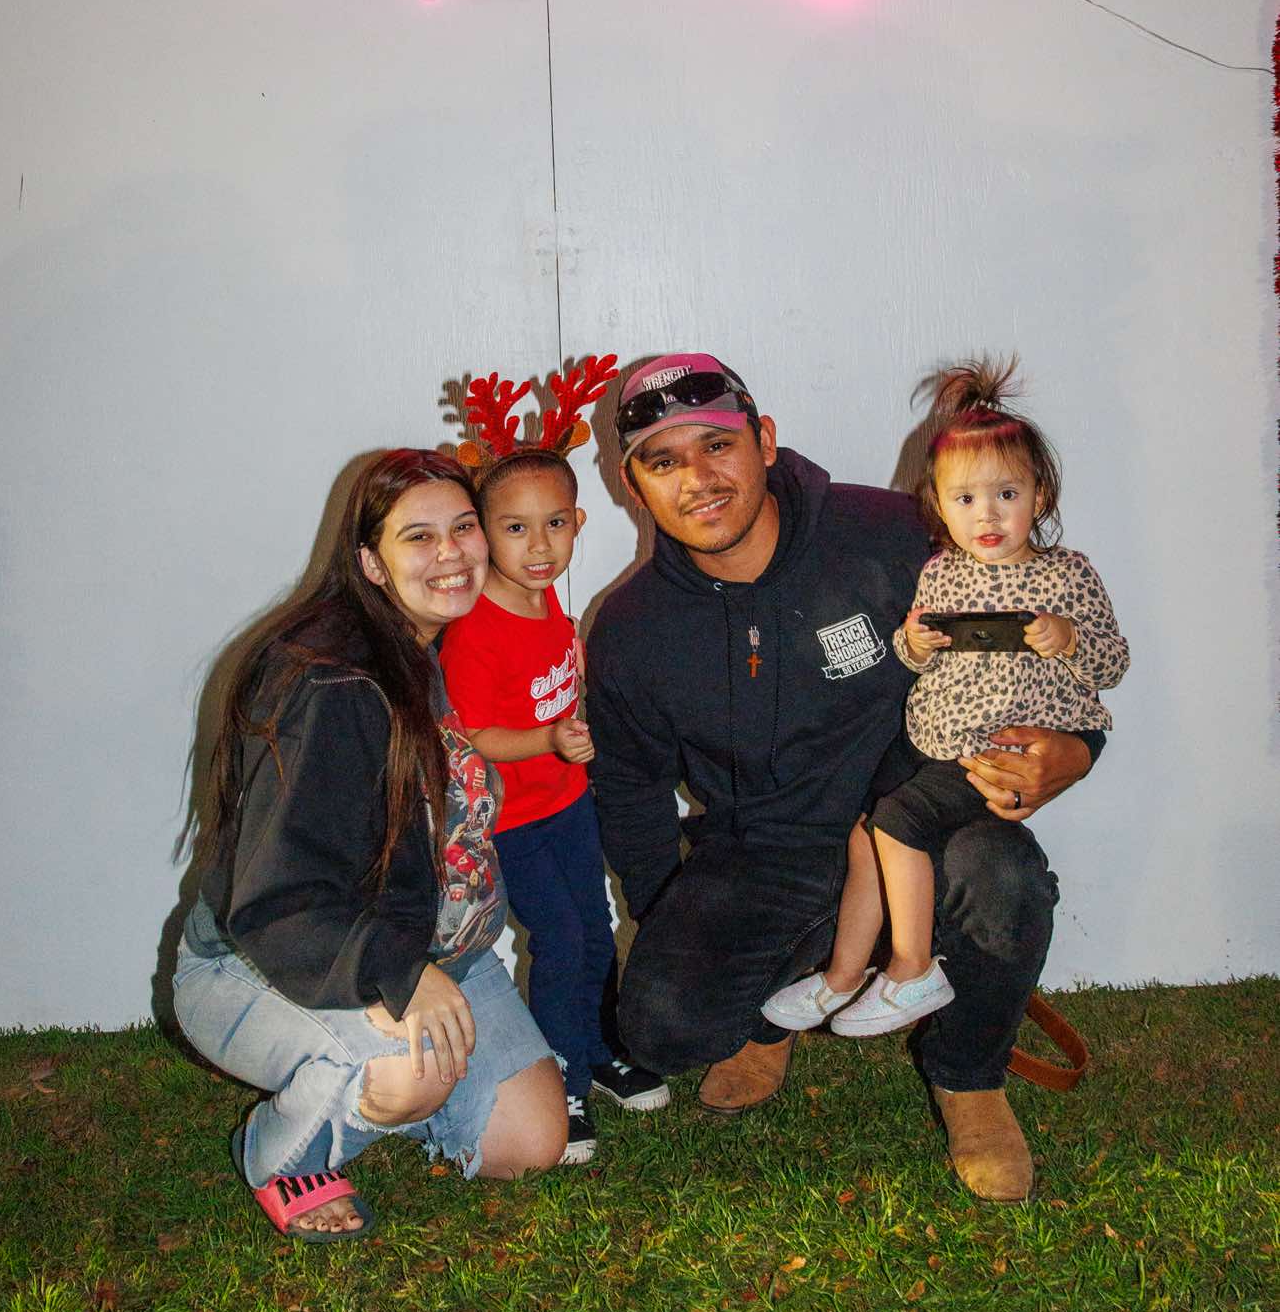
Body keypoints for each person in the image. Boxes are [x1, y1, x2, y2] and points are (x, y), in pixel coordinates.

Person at [585, 354, 1101, 1203]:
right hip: (763, 850)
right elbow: (631, 790)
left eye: (717, 445)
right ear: (631, 484)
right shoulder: (632, 628)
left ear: (764, 441)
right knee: (663, 1030)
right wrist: (666, 918)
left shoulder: (892, 534)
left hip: (917, 824)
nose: (698, 479)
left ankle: (968, 1079)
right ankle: (777, 1010)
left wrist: (1075, 750)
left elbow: (1038, 641)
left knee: (1003, 878)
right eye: (662, 461)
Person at [174, 450, 566, 1242]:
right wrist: (400, 975)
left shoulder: (421, 644)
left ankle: (395, 1089)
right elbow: (278, 899)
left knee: (527, 1146)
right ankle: (284, 1156)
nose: (450, 552)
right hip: (263, 964)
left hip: (432, 954)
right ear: (371, 563)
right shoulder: (333, 685)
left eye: (463, 528)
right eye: (418, 536)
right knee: (407, 1075)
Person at [766, 358, 1128, 1040]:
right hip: (933, 738)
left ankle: (910, 968)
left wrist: (1069, 637)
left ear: (1039, 496)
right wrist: (912, 642)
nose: (985, 514)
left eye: (1005, 494)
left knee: (898, 823)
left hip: (993, 750)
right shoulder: (940, 572)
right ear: (938, 502)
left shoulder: (1067, 574)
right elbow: (914, 659)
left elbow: (1112, 664)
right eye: (964, 499)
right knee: (866, 834)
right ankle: (842, 975)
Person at [441, 449, 668, 1167]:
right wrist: (546, 738)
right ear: (482, 533)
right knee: (562, 939)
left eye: (555, 524)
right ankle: (562, 1080)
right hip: (512, 821)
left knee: (596, 929)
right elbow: (472, 736)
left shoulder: (550, 609)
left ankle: (598, 1050)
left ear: (578, 522)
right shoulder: (473, 630)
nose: (539, 546)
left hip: (568, 804)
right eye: (515, 528)